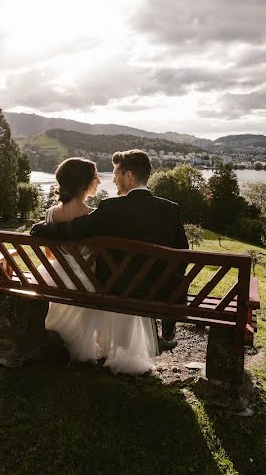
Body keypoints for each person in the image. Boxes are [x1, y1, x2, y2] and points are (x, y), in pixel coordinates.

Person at [31, 149, 189, 353]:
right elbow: (183, 253)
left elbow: (74, 229)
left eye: (115, 174)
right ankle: (161, 331)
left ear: (128, 176)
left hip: (120, 286)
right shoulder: (171, 210)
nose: (113, 181)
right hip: (161, 291)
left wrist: (41, 228)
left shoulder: (111, 208)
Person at [38, 157, 159, 374]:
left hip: (57, 277)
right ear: (84, 183)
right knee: (112, 285)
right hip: (89, 282)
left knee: (85, 283)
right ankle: (110, 345)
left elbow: (50, 254)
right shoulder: (94, 216)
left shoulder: (51, 214)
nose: (100, 182)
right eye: (95, 178)